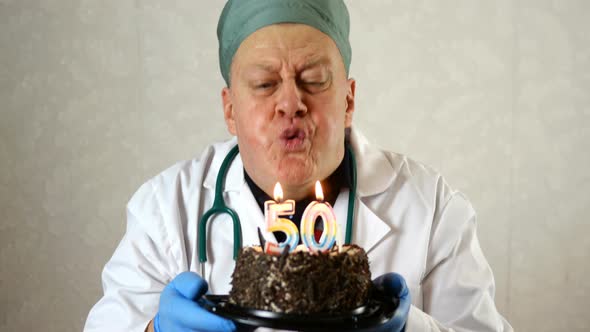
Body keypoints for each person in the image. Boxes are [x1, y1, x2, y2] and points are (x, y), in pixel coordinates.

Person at [84, 1, 513, 331]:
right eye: (265, 84)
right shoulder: (165, 208)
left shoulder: (432, 208)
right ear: (230, 110)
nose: (291, 103)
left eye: (313, 79)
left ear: (348, 99)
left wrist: (410, 329)